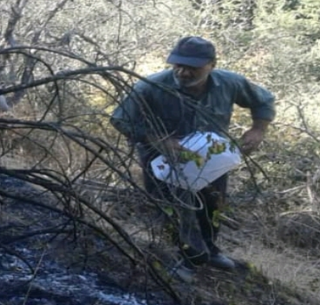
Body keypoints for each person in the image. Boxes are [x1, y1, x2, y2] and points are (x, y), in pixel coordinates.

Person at [110, 36, 275, 281]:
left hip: (210, 156)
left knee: (212, 203)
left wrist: (258, 130)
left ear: (211, 65)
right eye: (178, 65)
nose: (183, 72)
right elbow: (120, 119)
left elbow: (263, 100)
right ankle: (187, 258)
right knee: (175, 206)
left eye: (192, 67)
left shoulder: (230, 83)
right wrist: (159, 140)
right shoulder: (151, 86)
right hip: (162, 157)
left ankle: (210, 251)